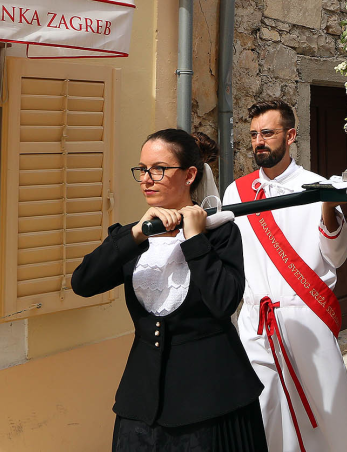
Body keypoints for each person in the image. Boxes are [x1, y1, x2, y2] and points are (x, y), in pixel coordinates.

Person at [71, 129, 267, 451]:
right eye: (142, 169)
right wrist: (136, 232)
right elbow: (83, 283)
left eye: (159, 169)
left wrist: (194, 239)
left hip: (211, 401)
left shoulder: (220, 234)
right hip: (143, 404)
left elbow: (224, 302)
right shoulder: (132, 237)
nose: (147, 179)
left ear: (190, 175)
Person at [224, 99, 347, 452]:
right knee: (263, 409)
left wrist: (330, 205)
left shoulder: (316, 187)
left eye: (267, 133)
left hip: (305, 312)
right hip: (255, 319)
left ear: (291, 135)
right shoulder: (236, 192)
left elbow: (336, 254)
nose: (258, 141)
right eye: (253, 134)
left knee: (326, 407)